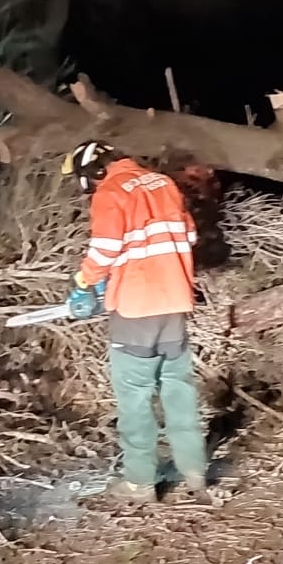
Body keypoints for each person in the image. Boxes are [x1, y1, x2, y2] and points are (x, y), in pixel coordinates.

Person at [61, 140, 210, 504]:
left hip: (135, 309)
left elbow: (105, 250)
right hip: (174, 302)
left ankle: (140, 482)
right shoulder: (163, 183)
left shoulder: (110, 190)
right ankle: (194, 472)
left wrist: (85, 283)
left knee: (136, 398)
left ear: (94, 170)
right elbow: (187, 236)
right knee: (179, 389)